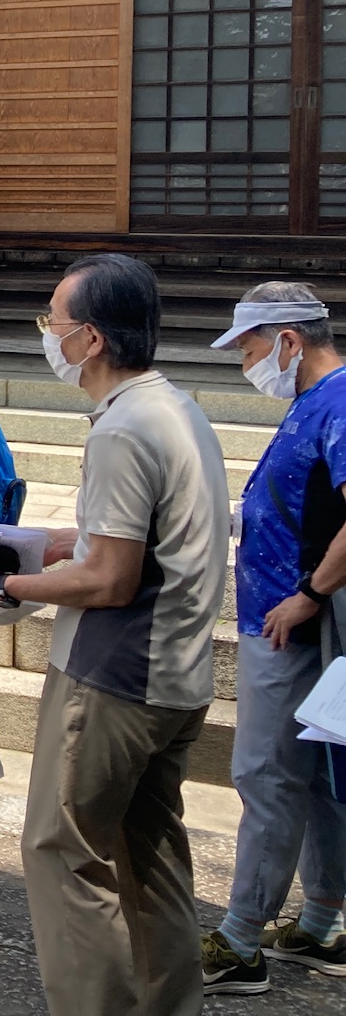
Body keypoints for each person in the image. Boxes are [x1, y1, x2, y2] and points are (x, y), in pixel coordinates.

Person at [0, 254, 228, 1016]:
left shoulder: (122, 428)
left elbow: (109, 579)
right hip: (175, 674)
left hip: (114, 676)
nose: (46, 336)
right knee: (148, 857)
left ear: (90, 337)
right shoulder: (175, 407)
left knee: (62, 851)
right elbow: (130, 543)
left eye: (52, 322)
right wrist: (54, 542)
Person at [195, 283, 346, 992]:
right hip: (293, 618)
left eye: (248, 348)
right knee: (316, 775)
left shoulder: (336, 401)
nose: (244, 363)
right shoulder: (316, 401)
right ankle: (319, 920)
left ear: (288, 340)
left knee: (267, 773)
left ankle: (239, 939)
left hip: (292, 624)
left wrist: (308, 594)